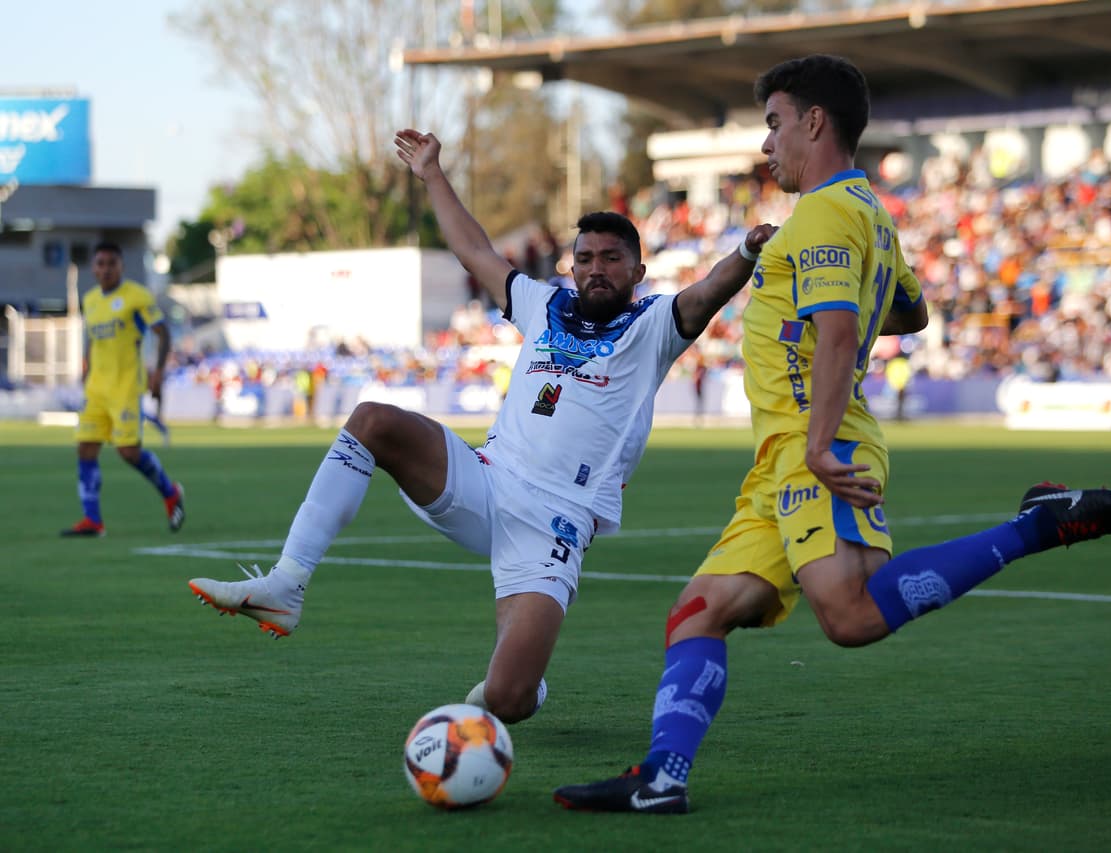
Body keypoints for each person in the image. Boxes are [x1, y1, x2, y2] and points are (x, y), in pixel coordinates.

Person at [552, 54, 1111, 814]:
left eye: (774, 125)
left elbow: (839, 334)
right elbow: (910, 311)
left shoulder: (829, 213)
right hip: (781, 458)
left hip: (816, 443)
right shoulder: (864, 209)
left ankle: (1037, 526)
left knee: (851, 613)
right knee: (697, 612)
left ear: (814, 121)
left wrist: (819, 442)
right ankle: (662, 777)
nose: (766, 146)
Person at [187, 127, 777, 725]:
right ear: (571, 266)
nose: (596, 269)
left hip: (554, 523)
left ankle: (520, 682)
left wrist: (748, 253)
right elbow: (474, 252)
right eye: (586, 259)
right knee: (370, 420)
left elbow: (705, 296)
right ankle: (287, 583)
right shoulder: (546, 306)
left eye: (611, 259)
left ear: (638, 269)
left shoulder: (653, 327)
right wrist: (433, 174)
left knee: (507, 701)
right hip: (485, 479)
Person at [61, 241, 185, 537]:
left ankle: (170, 493)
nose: (105, 269)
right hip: (96, 390)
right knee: (85, 448)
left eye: (111, 263)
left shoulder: (137, 297)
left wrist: (158, 375)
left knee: (128, 452)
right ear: (93, 267)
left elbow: (163, 333)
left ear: (121, 267)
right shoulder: (90, 299)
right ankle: (93, 520)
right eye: (100, 264)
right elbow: (92, 340)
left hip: (126, 388)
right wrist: (85, 369)